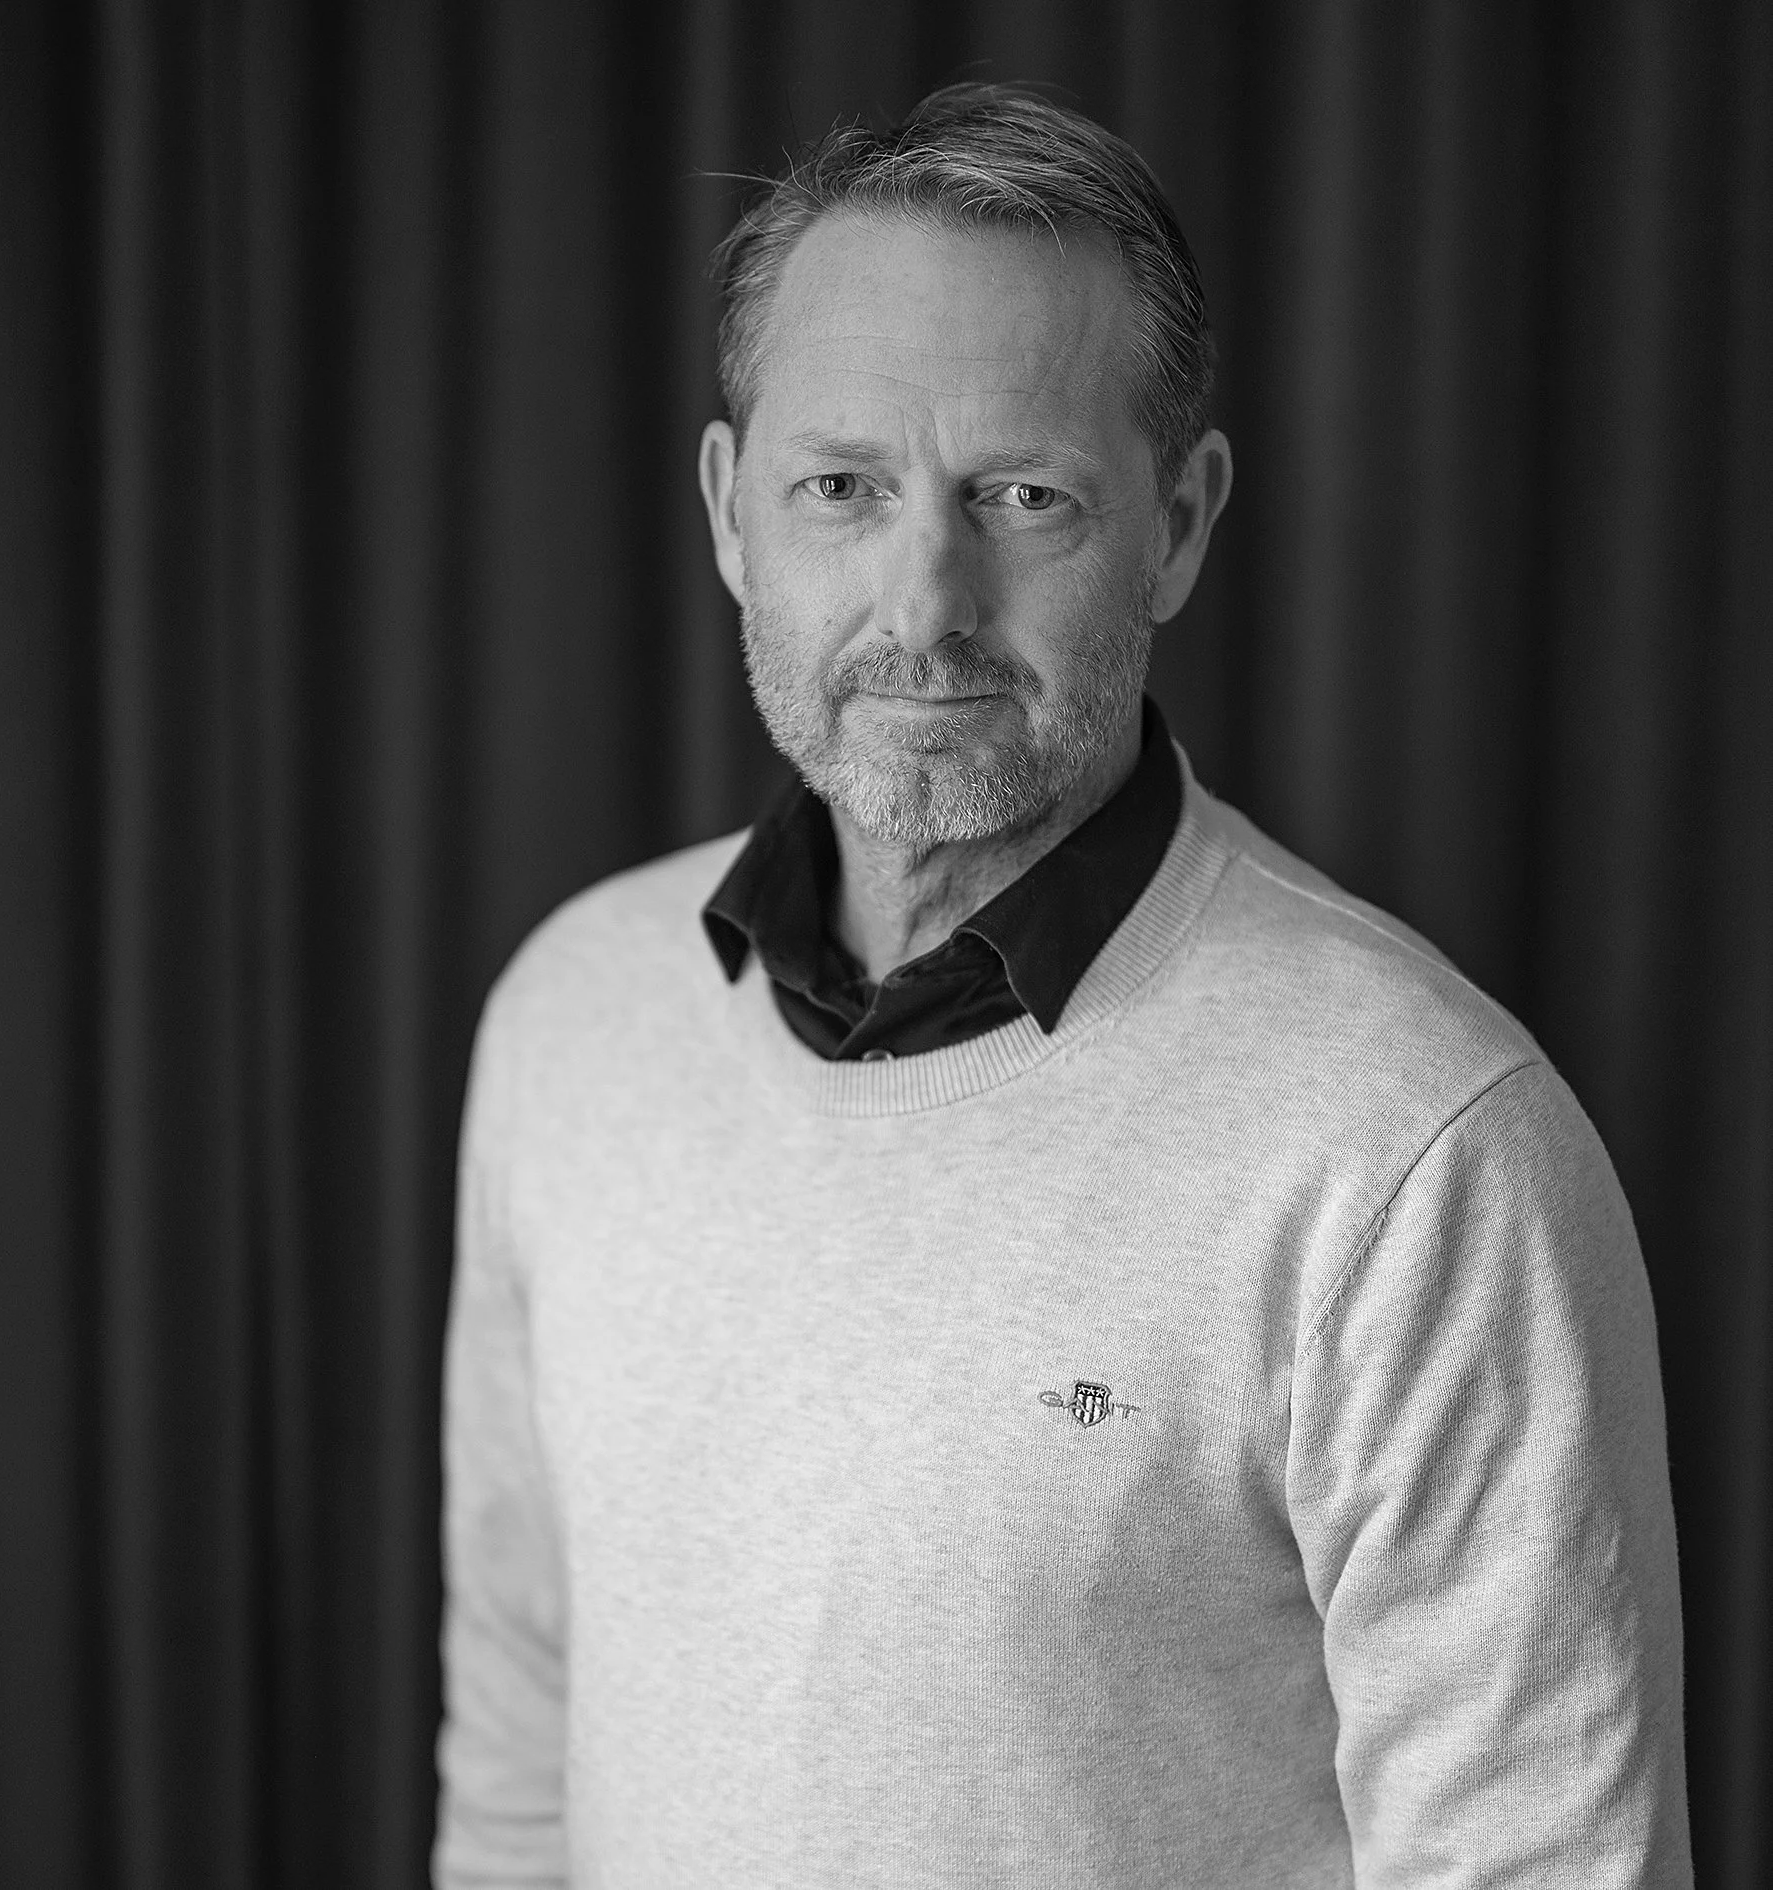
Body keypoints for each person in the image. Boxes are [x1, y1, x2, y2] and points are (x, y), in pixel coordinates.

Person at [433, 82, 1691, 1888]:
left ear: (1176, 522)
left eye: (1020, 495)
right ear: (728, 513)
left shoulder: (1417, 1149)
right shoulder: (573, 1020)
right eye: (841, 489)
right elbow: (517, 1760)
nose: (922, 602)